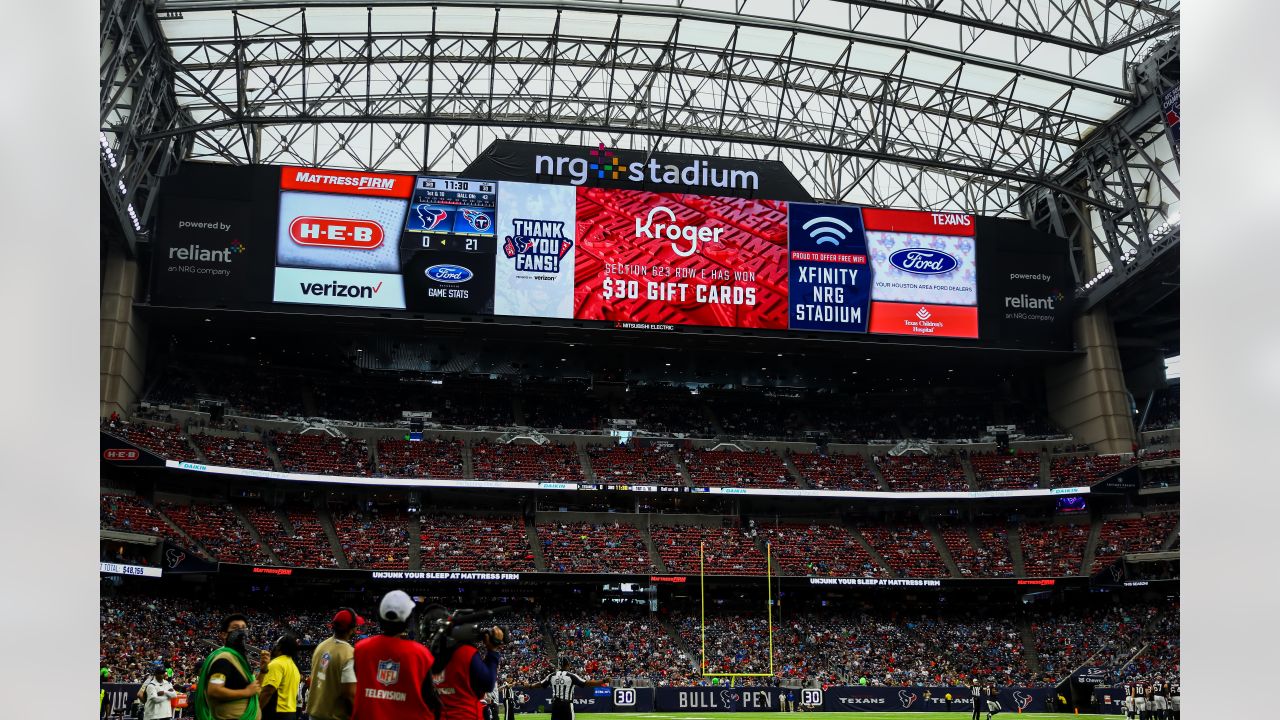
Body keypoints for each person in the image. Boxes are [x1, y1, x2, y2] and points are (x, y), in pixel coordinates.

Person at [352, 590, 435, 720]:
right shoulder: (420, 653)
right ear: (407, 619)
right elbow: (430, 698)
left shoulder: (361, 649)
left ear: (380, 617)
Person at [431, 618, 505, 720]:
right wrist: (492, 651)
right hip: (465, 713)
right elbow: (488, 684)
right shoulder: (466, 651)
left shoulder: (433, 653)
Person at [194, 613, 262, 720]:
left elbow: (255, 688)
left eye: (244, 628)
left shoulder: (239, 660)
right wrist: (246, 692)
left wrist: (264, 670)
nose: (241, 631)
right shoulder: (224, 659)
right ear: (224, 634)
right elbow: (214, 690)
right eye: (235, 628)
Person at [309, 608, 365, 720]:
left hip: (314, 714)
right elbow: (349, 694)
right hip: (333, 716)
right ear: (351, 629)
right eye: (355, 626)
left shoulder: (321, 646)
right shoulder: (348, 653)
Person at [533, 658, 606, 720]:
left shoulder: (552, 675)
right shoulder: (571, 676)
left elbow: (540, 684)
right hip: (566, 704)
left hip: (556, 704)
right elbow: (587, 683)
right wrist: (603, 681)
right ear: (568, 664)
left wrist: (530, 686)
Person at [261, 635, 303, 720]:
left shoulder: (276, 663)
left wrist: (256, 709)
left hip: (275, 713)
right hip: (290, 713)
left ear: (279, 647)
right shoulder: (294, 667)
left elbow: (268, 691)